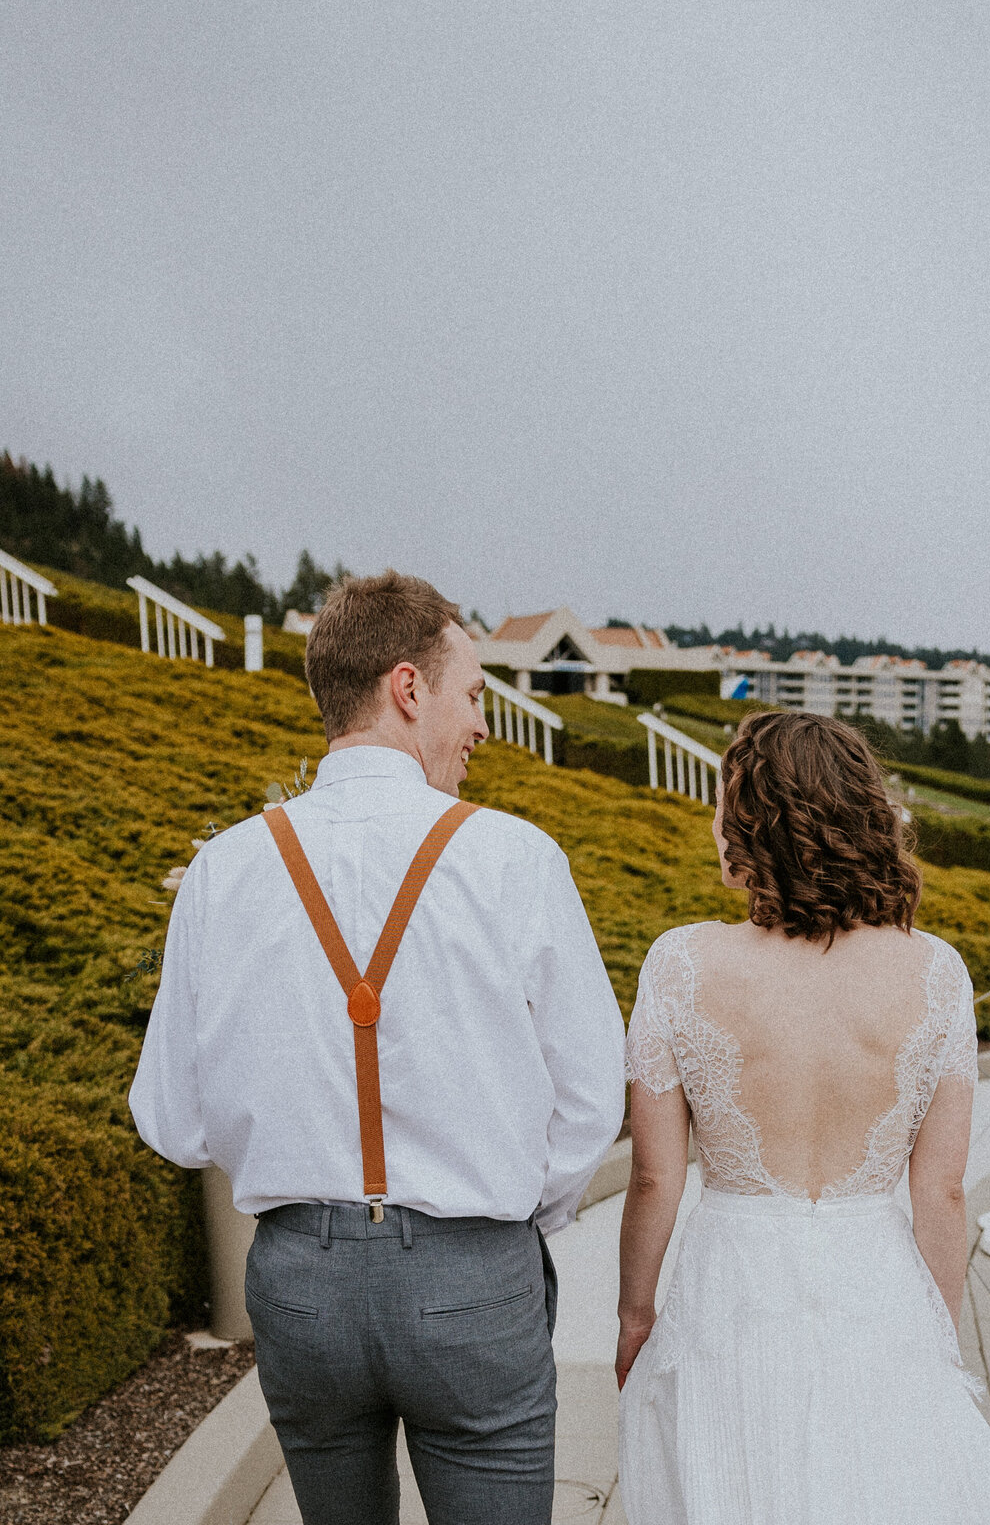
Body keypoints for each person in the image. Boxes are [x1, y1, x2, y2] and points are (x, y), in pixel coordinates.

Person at [130, 572, 626, 1525]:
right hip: (472, 1274)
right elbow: (591, 1094)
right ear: (409, 689)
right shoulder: (517, 858)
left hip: (301, 1287)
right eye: (473, 694)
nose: (483, 724)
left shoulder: (223, 869)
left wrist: (297, 1173)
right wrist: (505, 1221)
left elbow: (172, 1118)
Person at [615, 711, 990, 1525]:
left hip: (732, 1282)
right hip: (876, 1281)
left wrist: (635, 1313)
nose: (714, 822)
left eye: (726, 803)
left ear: (762, 821)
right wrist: (938, 1335)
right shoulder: (935, 972)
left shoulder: (680, 963)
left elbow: (654, 1176)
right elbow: (943, 1195)